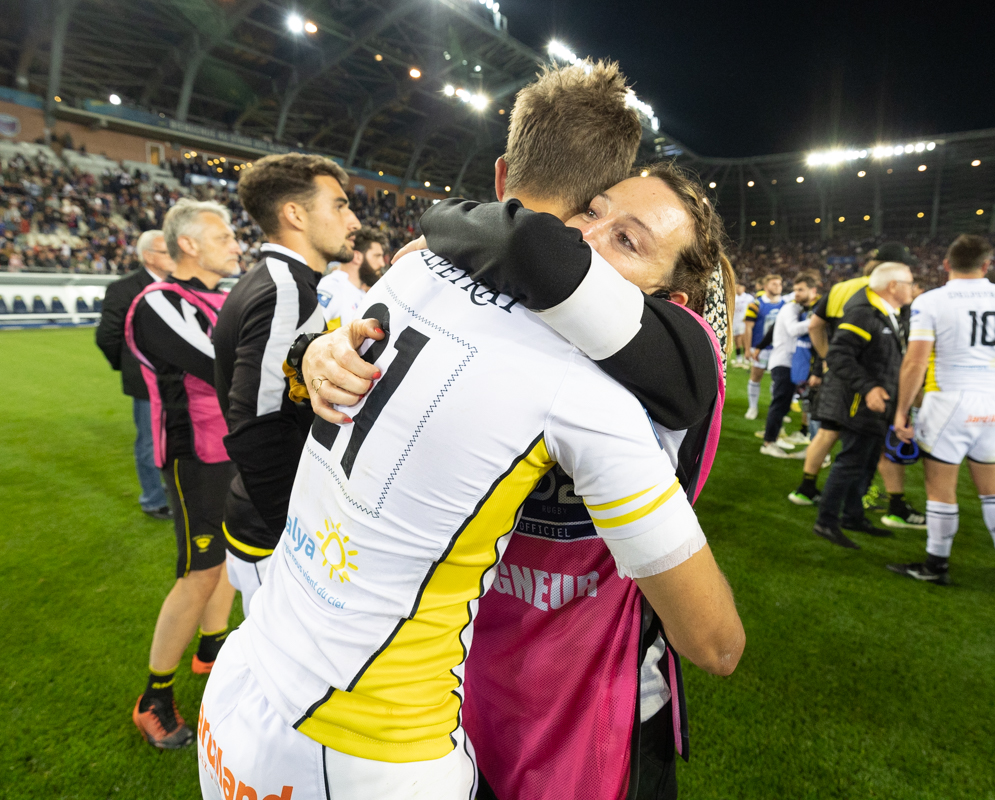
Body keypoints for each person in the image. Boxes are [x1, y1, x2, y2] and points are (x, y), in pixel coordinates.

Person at [197, 62, 743, 799]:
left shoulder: (417, 274)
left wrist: (441, 235)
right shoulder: (567, 378)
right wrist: (312, 357)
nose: (585, 238)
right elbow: (715, 641)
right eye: (594, 212)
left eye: (629, 241)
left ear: (669, 302)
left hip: (277, 682)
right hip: (375, 740)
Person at [212, 154, 361, 617]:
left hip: (260, 517)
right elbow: (255, 424)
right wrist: (293, 532)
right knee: (278, 681)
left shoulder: (278, 281)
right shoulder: (284, 289)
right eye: (338, 206)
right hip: (272, 530)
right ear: (295, 214)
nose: (352, 220)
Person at [125, 199, 243, 749]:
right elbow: (223, 363)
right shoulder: (157, 301)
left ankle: (212, 649)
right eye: (222, 236)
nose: (235, 244)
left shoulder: (221, 296)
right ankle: (153, 696)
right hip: (194, 454)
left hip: (233, 447)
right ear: (189, 245)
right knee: (198, 572)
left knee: (225, 562)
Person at [887, 235, 995, 588]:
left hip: (948, 400)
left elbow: (915, 361)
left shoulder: (933, 300)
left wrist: (901, 411)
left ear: (946, 264)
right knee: (993, 487)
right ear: (987, 265)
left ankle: (937, 564)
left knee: (940, 488)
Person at [791, 243, 923, 523]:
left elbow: (816, 325)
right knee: (868, 448)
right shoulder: (879, 297)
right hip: (867, 381)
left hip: (840, 377)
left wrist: (826, 359)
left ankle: (807, 488)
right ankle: (882, 502)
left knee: (828, 434)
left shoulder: (841, 288)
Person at [812, 262, 913, 548]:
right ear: (892, 286)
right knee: (850, 461)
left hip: (878, 405)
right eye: (909, 281)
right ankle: (826, 521)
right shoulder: (864, 313)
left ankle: (853, 515)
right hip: (859, 404)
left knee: (866, 463)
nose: (913, 287)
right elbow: (839, 355)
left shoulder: (888, 313)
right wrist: (868, 388)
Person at [96, 229, 176, 520]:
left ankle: (166, 486)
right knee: (148, 442)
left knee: (173, 437)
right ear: (148, 257)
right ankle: (153, 500)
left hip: (178, 379)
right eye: (165, 251)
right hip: (145, 381)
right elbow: (107, 336)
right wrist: (130, 367)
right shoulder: (124, 288)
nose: (172, 256)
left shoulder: (177, 285)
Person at [761, 272, 819, 458]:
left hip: (790, 363)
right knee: (780, 403)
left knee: (785, 404)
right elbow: (793, 330)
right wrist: (818, 321)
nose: (796, 294)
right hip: (783, 362)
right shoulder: (790, 309)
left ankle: (775, 438)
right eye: (795, 290)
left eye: (800, 290)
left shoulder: (798, 309)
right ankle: (768, 442)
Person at [316, 228, 387, 329]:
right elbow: (309, 333)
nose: (382, 263)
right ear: (357, 257)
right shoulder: (332, 287)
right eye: (377, 256)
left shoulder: (361, 293)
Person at [743, 273, 784, 420]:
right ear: (766, 287)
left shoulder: (786, 304)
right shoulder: (756, 304)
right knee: (756, 376)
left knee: (778, 379)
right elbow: (748, 327)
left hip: (779, 349)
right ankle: (752, 407)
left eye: (779, 284)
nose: (778, 287)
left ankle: (777, 409)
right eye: (774, 284)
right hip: (759, 347)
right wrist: (748, 349)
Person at [733, 281, 753, 366]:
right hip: (735, 322)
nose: (737, 289)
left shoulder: (749, 298)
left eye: (739, 287)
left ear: (743, 288)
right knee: (737, 340)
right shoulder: (733, 297)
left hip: (744, 322)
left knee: (744, 339)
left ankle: (746, 357)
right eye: (736, 287)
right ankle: (739, 358)